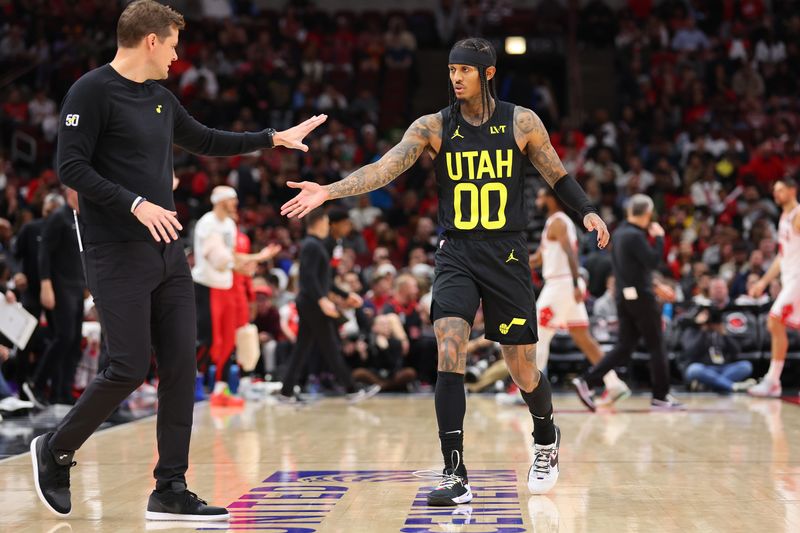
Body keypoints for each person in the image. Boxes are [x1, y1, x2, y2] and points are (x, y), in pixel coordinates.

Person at [30, 0, 325, 521]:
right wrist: (136, 204)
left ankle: (170, 487)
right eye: (171, 44)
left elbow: (207, 139)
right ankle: (55, 448)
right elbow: (70, 167)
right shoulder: (91, 90)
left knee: (180, 367)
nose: (175, 55)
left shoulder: (162, 100)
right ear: (150, 40)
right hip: (114, 248)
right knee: (126, 366)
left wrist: (272, 138)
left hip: (167, 251)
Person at [281, 38, 609, 503]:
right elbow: (385, 168)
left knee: (522, 368)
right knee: (449, 348)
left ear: (488, 73)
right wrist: (329, 192)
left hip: (507, 255)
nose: (455, 77)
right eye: (451, 69)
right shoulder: (433, 125)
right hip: (456, 252)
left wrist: (588, 211)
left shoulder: (522, 122)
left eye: (465, 71)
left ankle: (545, 435)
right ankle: (455, 474)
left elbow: (558, 175)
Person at [573, 194, 684, 411]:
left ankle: (587, 380)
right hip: (641, 299)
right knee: (657, 346)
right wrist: (660, 238)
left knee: (625, 347)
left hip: (624, 297)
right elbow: (652, 261)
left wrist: (654, 286)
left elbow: (633, 271)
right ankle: (661, 396)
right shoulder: (635, 235)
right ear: (648, 214)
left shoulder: (621, 233)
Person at [531, 187, 630, 406]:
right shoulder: (555, 222)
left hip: (561, 284)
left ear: (550, 198)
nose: (537, 200)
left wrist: (576, 283)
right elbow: (538, 258)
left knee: (537, 334)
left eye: (540, 196)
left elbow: (570, 252)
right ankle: (614, 384)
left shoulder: (558, 221)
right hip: (565, 284)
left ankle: (529, 390)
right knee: (584, 339)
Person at [278, 208, 379, 403]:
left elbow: (324, 280)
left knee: (302, 349)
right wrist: (321, 299)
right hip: (312, 303)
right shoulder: (311, 245)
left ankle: (286, 392)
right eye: (326, 222)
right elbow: (307, 278)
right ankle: (351, 389)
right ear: (320, 222)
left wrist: (345, 294)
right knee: (331, 347)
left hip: (311, 302)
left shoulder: (314, 245)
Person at [192, 186, 279, 406]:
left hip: (225, 286)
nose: (236, 205)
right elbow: (219, 259)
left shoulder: (230, 225)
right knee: (207, 340)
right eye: (232, 200)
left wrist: (255, 258)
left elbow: (231, 256)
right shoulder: (208, 223)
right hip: (206, 286)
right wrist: (252, 260)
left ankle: (221, 391)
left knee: (228, 341)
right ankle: (182, 382)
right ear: (221, 201)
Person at [26, 188, 85, 406]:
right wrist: (45, 284)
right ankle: (36, 384)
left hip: (77, 287)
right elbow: (44, 253)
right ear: (70, 192)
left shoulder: (79, 218)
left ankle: (64, 392)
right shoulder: (59, 217)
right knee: (64, 337)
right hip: (60, 287)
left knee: (74, 341)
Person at [747, 176, 800, 397]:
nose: (776, 194)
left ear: (792, 190)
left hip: (798, 278)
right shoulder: (784, 217)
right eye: (775, 190)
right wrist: (763, 281)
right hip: (789, 277)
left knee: (774, 321)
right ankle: (773, 381)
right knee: (776, 324)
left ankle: (772, 381)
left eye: (780, 190)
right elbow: (781, 256)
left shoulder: (798, 215)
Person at [679, 307, 754, 393]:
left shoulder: (721, 332)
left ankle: (709, 384)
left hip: (722, 368)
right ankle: (731, 386)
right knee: (694, 369)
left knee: (746, 366)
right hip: (704, 368)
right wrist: (702, 331)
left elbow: (736, 351)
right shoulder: (692, 331)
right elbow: (690, 352)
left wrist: (724, 334)